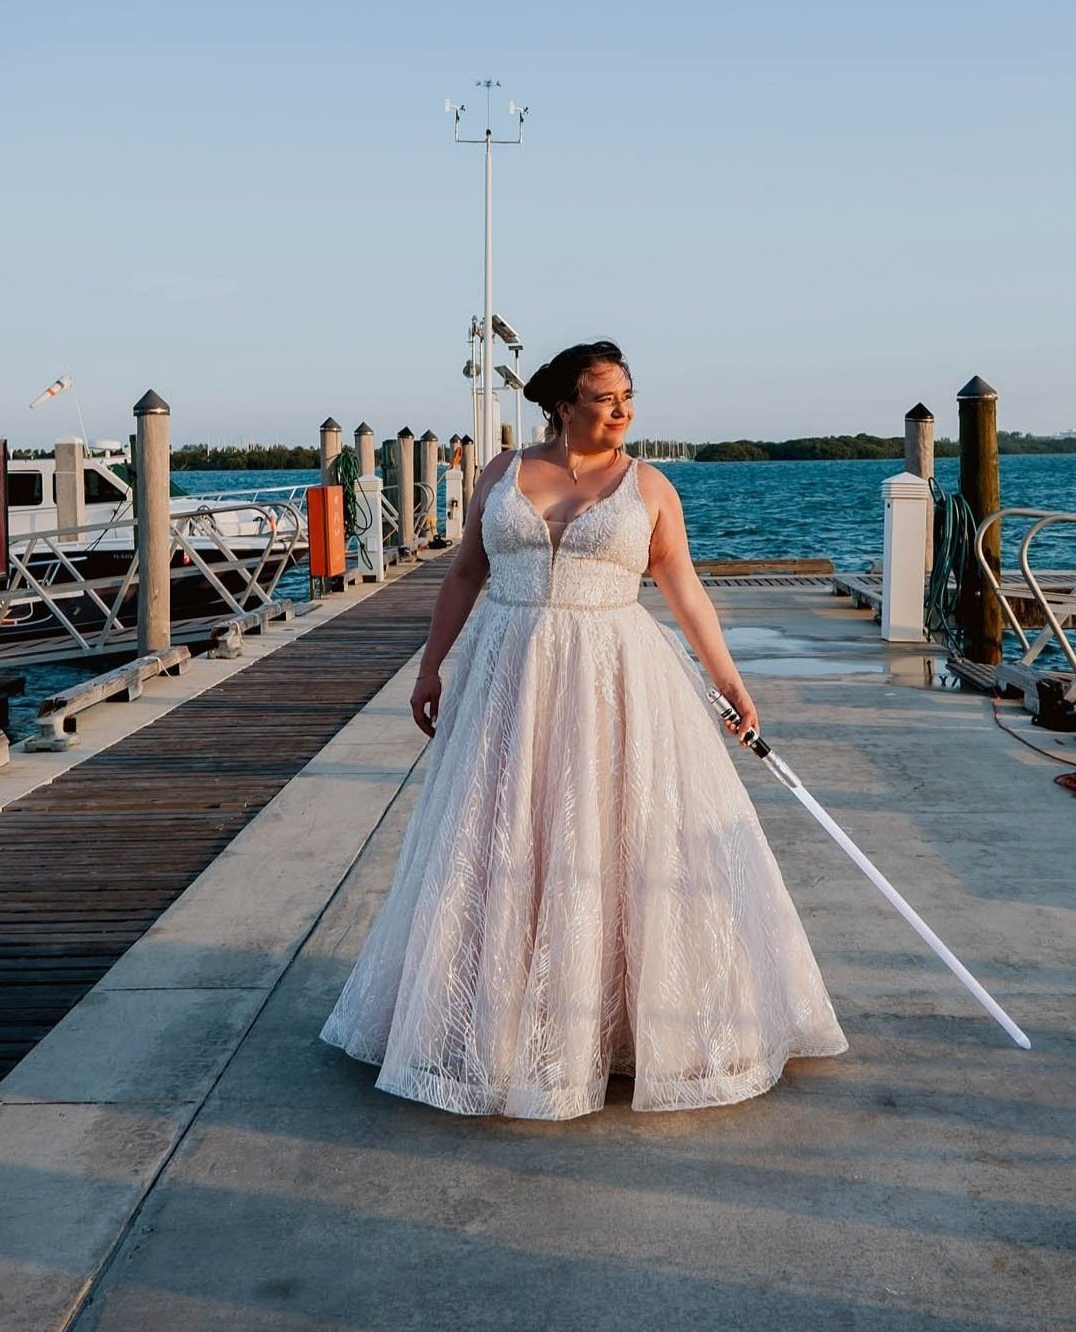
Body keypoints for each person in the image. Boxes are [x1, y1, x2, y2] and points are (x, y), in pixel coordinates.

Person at [320, 340, 846, 1118]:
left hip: (616, 680)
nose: (625, 410)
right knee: (500, 838)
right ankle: (491, 1024)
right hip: (508, 679)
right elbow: (466, 571)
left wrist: (732, 685)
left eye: (629, 395)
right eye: (607, 397)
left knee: (613, 840)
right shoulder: (501, 475)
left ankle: (623, 1028)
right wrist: (431, 668)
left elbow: (686, 592)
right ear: (563, 404)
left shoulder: (650, 487)